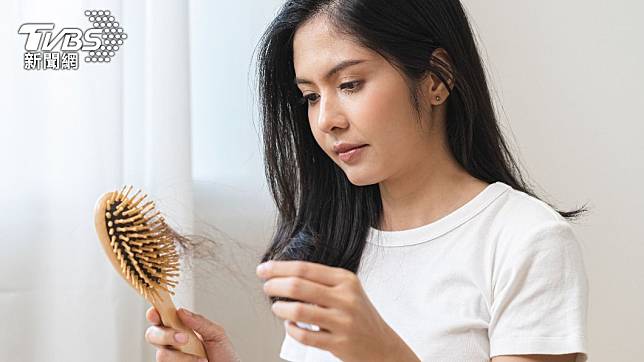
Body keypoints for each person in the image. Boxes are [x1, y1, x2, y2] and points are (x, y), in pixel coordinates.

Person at [144, 0, 590, 361]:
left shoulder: (525, 240)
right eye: (311, 96)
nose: (326, 120)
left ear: (437, 78)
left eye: (351, 84)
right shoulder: (328, 244)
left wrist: (379, 353)